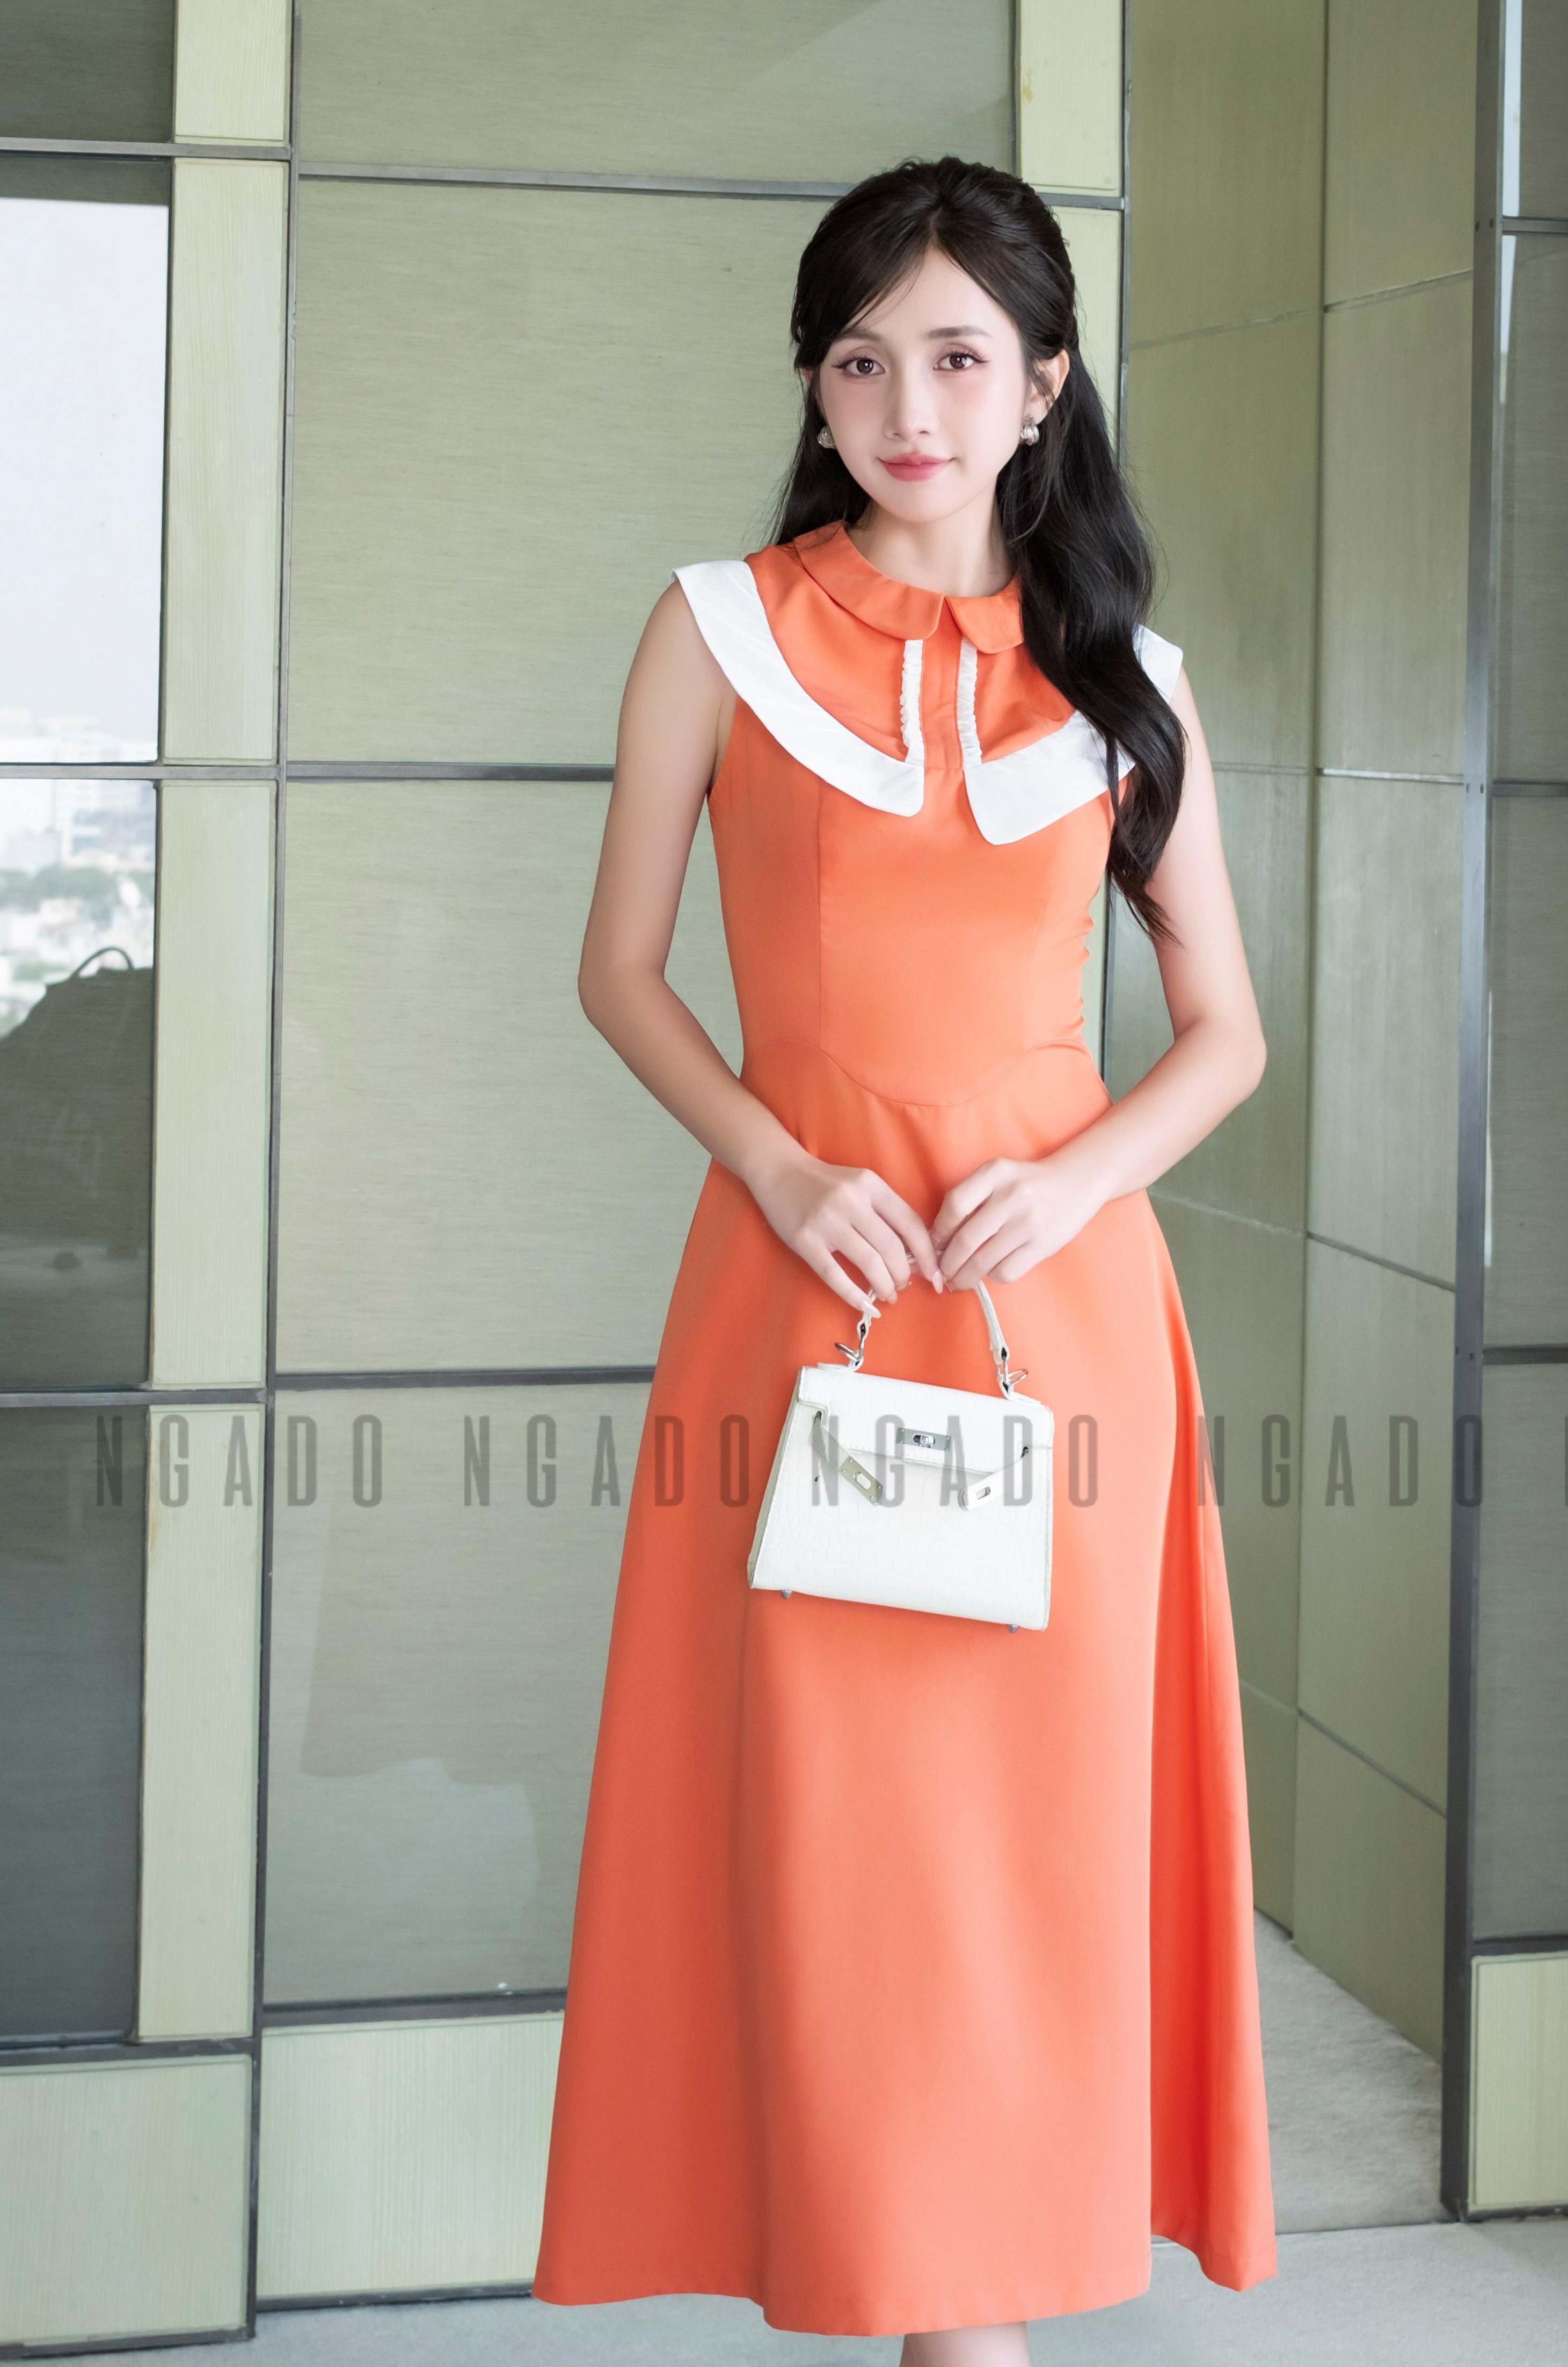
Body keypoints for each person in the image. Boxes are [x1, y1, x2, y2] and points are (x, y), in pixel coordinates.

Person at [531, 154, 1278, 2362]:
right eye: (858, 362)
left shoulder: (1126, 682)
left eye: (957, 357)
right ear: (816, 386)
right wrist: (774, 1166)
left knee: (1023, 1861)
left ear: (1043, 383)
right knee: (848, 1860)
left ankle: (976, 2320)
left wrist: (1082, 1177)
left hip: (1057, 1329)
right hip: (808, 1310)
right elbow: (618, 971)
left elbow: (1225, 1034)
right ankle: (930, 2299)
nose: (905, 407)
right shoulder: (715, 630)